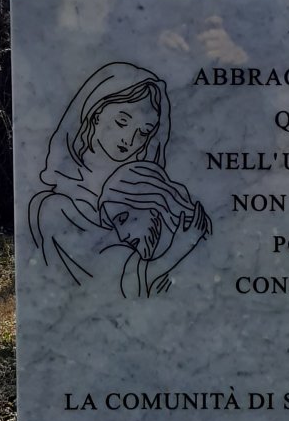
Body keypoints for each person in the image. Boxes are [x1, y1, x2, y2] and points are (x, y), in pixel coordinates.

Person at [29, 63, 211, 296]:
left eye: (144, 131)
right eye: (122, 121)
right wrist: (181, 247)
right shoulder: (55, 206)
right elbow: (117, 285)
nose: (130, 138)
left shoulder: (150, 190)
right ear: (95, 113)